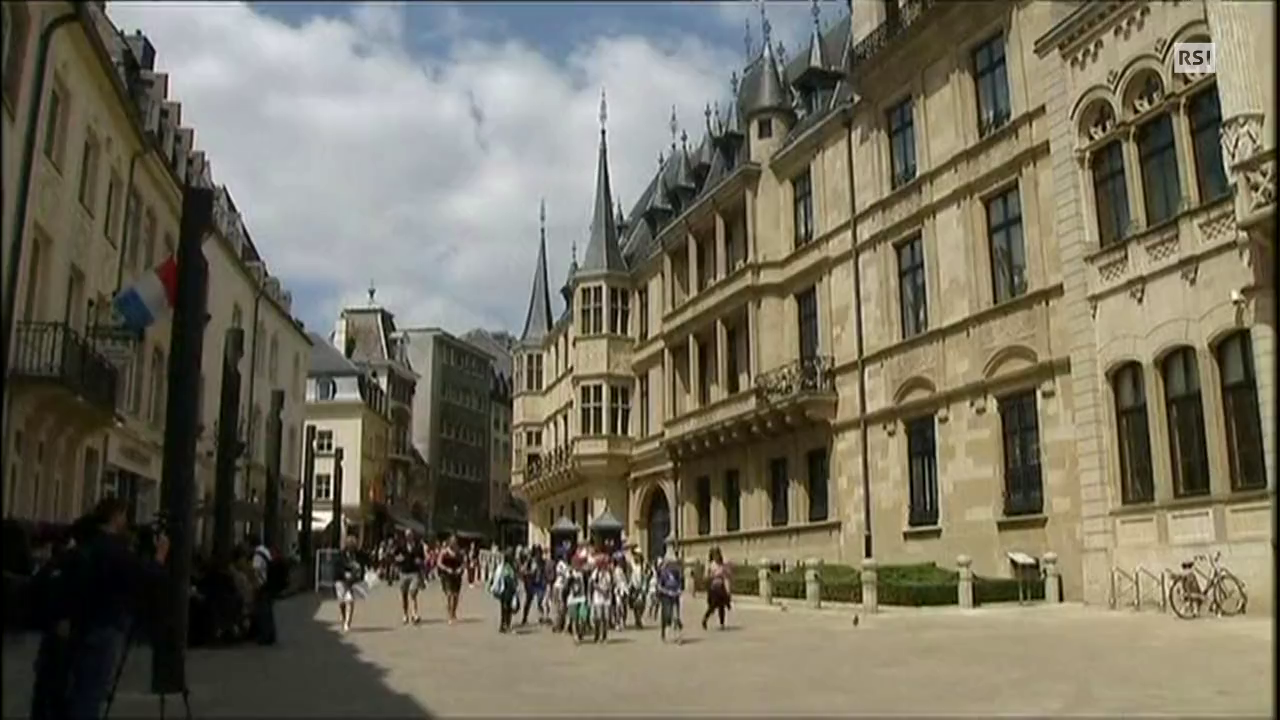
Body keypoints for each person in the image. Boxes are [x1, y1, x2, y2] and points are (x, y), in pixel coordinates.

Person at [63, 498, 169, 720]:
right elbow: (143, 578)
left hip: (81, 622)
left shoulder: (86, 542)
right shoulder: (113, 549)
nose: (126, 522)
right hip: (106, 622)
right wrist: (159, 557)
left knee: (79, 687)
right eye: (123, 516)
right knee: (92, 691)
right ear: (115, 516)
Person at [332, 536, 366, 633]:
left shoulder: (358, 555)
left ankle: (347, 623)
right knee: (342, 602)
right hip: (340, 580)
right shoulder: (340, 555)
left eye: (354, 546)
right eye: (351, 546)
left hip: (352, 581)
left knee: (350, 600)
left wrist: (360, 576)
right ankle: (344, 617)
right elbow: (337, 567)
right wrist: (344, 573)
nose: (352, 548)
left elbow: (362, 565)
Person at [248, 536, 277, 645]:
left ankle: (264, 635)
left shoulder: (257, 555)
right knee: (268, 611)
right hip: (269, 583)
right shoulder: (266, 551)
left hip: (261, 585)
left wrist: (254, 585)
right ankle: (270, 634)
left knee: (262, 611)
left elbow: (255, 570)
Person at [393, 530, 425, 625]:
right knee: (404, 595)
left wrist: (420, 561)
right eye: (407, 535)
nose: (409, 536)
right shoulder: (401, 545)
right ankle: (405, 614)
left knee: (413, 592)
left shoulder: (418, 546)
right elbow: (394, 555)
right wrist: (398, 559)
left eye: (410, 535)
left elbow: (422, 557)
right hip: (404, 572)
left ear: (413, 535)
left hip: (414, 572)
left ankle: (414, 614)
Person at [701, 546, 732, 631]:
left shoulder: (723, 565)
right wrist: (712, 576)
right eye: (715, 555)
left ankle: (722, 623)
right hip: (713, 588)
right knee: (713, 606)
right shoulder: (711, 565)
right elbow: (706, 577)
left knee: (722, 606)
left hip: (721, 587)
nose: (717, 556)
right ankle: (705, 618)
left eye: (718, 554)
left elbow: (727, 576)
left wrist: (728, 589)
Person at [437, 535, 464, 624]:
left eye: (455, 542)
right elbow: (439, 563)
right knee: (449, 594)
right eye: (452, 541)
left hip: (457, 575)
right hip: (446, 576)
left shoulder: (459, 552)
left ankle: (454, 612)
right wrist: (446, 569)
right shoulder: (444, 552)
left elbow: (463, 563)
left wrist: (460, 569)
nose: (453, 543)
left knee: (455, 596)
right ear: (449, 542)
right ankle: (450, 614)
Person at [656, 556, 684, 643]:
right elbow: (659, 586)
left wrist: (679, 590)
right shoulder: (663, 574)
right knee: (667, 616)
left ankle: (678, 636)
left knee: (676, 616)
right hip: (666, 598)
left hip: (675, 597)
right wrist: (667, 592)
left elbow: (680, 584)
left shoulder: (677, 573)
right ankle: (663, 633)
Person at [490, 549, 518, 633]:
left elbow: (515, 577)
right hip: (505, 589)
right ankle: (505, 625)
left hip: (509, 589)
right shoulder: (503, 567)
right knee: (506, 608)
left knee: (506, 608)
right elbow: (498, 577)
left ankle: (504, 625)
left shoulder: (511, 566)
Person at [519, 545, 547, 626]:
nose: (539, 555)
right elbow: (523, 571)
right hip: (531, 583)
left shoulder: (542, 562)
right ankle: (524, 618)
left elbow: (544, 571)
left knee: (540, 601)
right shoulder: (530, 561)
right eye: (537, 553)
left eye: (540, 553)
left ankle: (541, 618)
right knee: (528, 601)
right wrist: (530, 573)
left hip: (540, 584)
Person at [589, 555, 613, 644]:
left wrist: (608, 591)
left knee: (606, 618)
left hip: (607, 598)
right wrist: (601, 591)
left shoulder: (608, 572)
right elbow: (593, 584)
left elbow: (611, 583)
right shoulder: (596, 572)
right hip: (598, 598)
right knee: (598, 618)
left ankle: (604, 636)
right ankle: (597, 635)